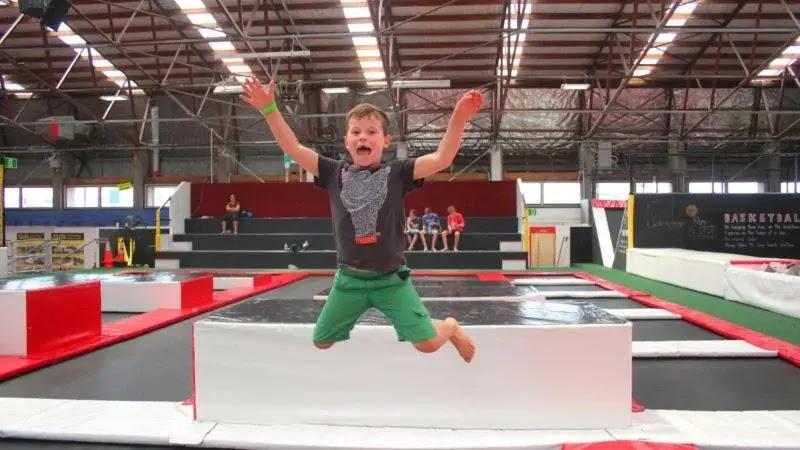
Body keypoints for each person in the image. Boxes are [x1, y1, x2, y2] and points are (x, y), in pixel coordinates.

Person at [240, 77, 482, 363]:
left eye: (371, 132)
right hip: (349, 281)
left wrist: (459, 117)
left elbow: (442, 158)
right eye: (356, 132)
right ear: (346, 141)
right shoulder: (332, 172)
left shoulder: (398, 173)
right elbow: (293, 149)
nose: (363, 137)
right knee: (321, 341)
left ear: (386, 140)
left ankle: (450, 326)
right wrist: (269, 109)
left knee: (427, 344)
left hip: (391, 280)